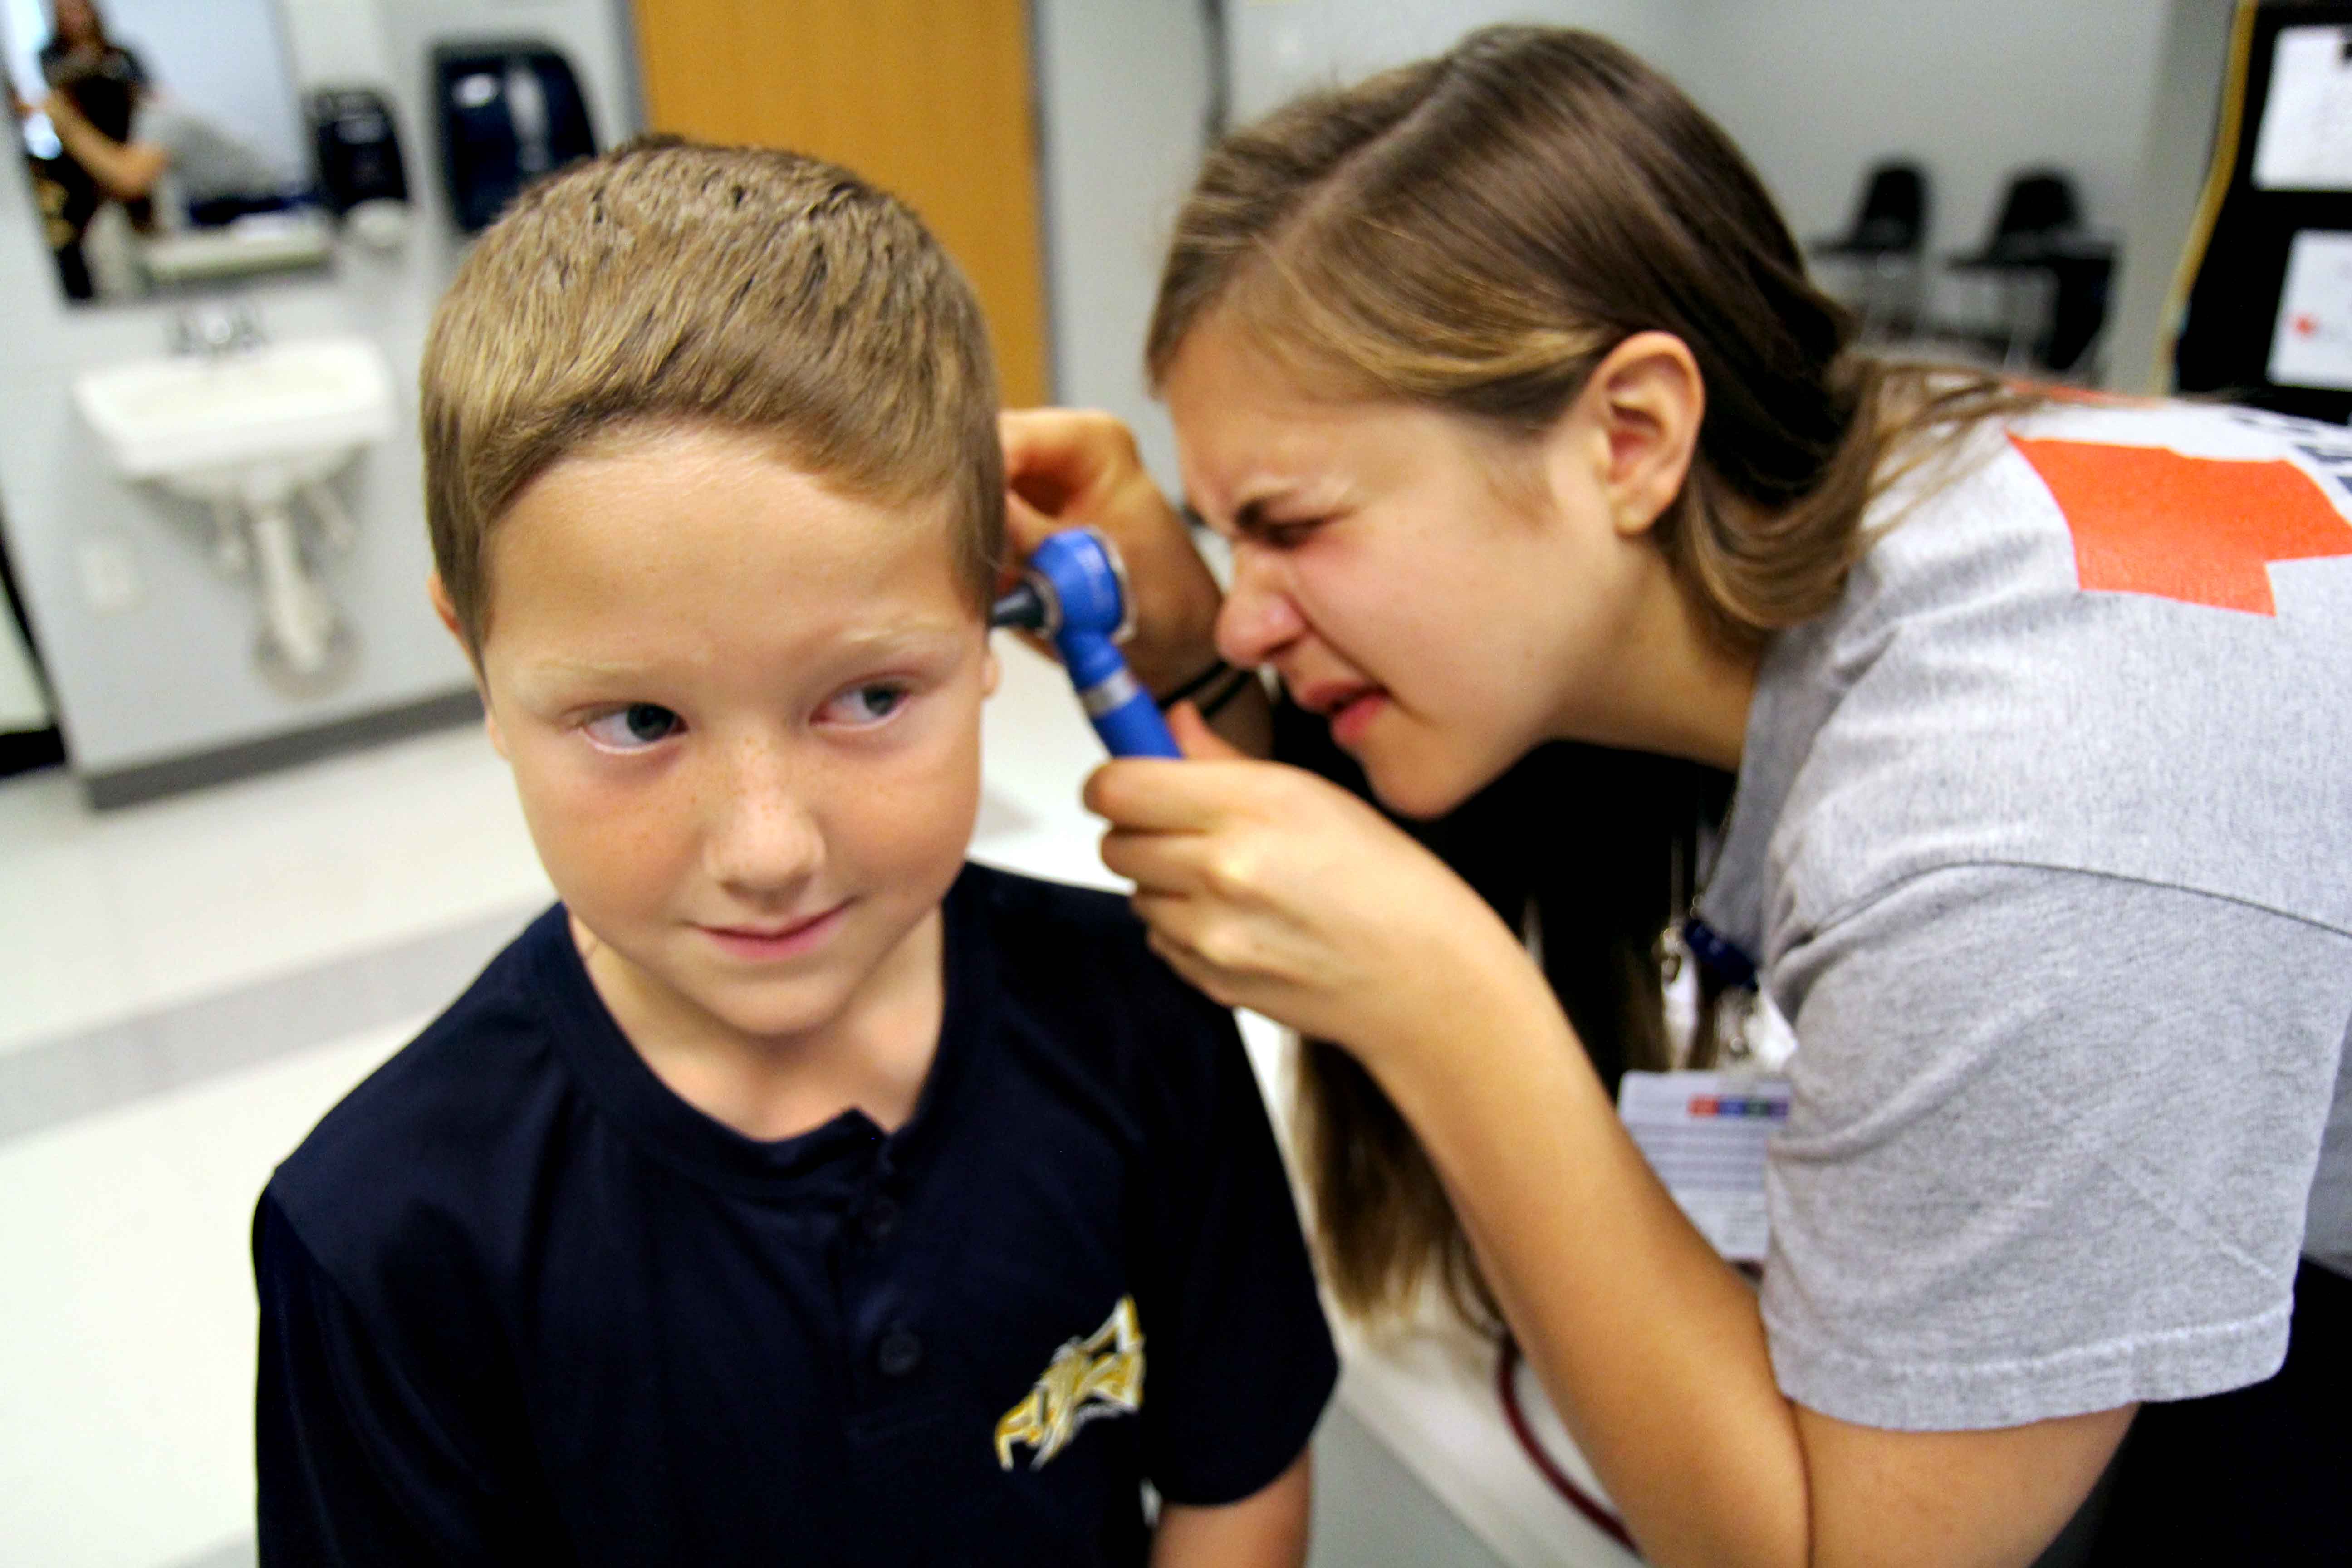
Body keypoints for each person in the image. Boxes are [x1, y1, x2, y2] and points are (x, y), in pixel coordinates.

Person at [1002, 26, 2352, 1568]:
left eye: (1292, 523)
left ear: (1632, 434)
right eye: (1223, 535)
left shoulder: (2019, 819)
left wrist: (1445, 1000)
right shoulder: (1896, 467)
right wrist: (1193, 647)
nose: (1250, 611)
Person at [251, 138, 1335, 1567]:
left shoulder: (1147, 1024)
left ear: (994, 617)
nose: (768, 851)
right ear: (481, 663)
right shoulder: (386, 1238)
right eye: (640, 720)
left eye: (870, 699)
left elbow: (1236, 1479)